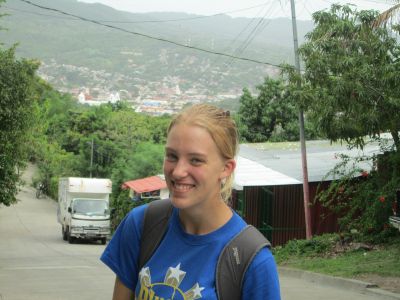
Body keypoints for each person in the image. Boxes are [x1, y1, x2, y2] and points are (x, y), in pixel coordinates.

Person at [101, 104, 281, 299]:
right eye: (172, 156)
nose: (178, 172)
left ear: (226, 168)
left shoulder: (251, 260)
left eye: (195, 160)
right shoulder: (142, 224)